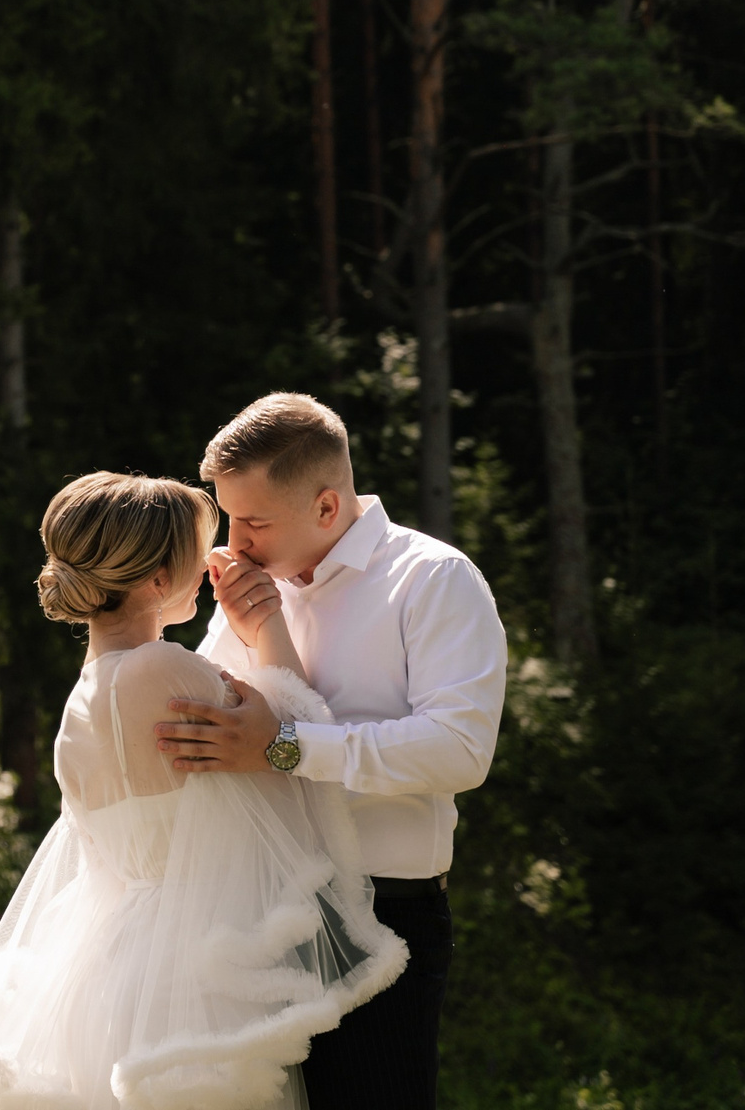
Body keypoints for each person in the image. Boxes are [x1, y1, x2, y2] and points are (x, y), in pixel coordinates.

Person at [0, 472, 407, 1110]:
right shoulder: (165, 670)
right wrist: (268, 621)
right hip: (192, 972)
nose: (214, 566)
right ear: (159, 581)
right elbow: (297, 743)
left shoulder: (78, 705)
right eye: (200, 553)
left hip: (111, 970)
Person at [154, 394, 508, 1110]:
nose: (235, 540)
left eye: (252, 521)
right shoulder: (251, 587)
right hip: (251, 913)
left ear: (324, 507)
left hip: (384, 914)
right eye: (228, 516)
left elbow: (460, 750)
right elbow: (212, 726)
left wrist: (286, 748)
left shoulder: (433, 580)